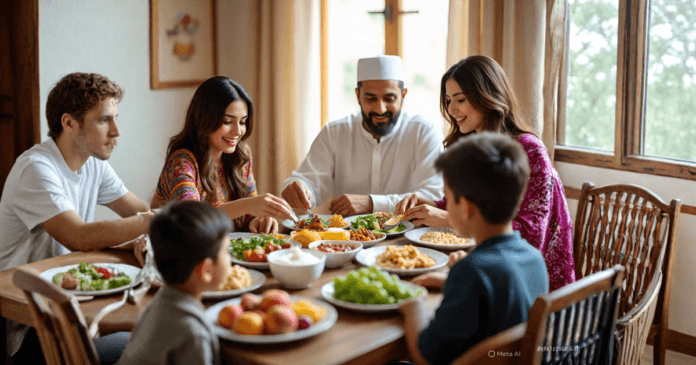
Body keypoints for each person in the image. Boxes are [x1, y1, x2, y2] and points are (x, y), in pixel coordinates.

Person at [0, 72, 154, 363]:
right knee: (153, 346)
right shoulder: (36, 168)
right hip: (29, 323)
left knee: (157, 333)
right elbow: (79, 236)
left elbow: (137, 212)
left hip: (72, 305)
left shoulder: (93, 163)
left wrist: (142, 231)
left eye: (116, 118)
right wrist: (149, 223)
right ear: (69, 123)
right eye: (105, 120)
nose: (117, 131)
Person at [395, 55, 575, 291]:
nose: (452, 109)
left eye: (460, 99)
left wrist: (447, 219)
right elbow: (471, 204)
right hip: (488, 265)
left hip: (532, 287)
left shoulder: (530, 150)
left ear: (487, 96)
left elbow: (531, 238)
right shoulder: (474, 145)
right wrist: (430, 204)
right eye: (449, 100)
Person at [400, 132, 549, 365]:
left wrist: (412, 305)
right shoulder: (534, 259)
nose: (445, 206)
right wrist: (451, 280)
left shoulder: (472, 272)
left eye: (448, 199)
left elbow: (426, 357)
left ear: (467, 208)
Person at [281, 55, 444, 216]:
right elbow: (309, 180)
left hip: (410, 238)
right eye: (371, 98)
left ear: (403, 95)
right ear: (358, 95)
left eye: (389, 98)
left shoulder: (424, 133)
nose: (380, 109)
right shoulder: (334, 132)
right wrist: (299, 189)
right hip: (345, 240)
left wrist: (372, 203)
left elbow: (433, 196)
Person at [151, 76, 293, 233]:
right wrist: (249, 205)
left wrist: (257, 220)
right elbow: (191, 217)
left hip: (223, 247)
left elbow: (248, 214)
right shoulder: (182, 162)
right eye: (227, 121)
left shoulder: (241, 154)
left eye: (242, 122)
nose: (238, 132)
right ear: (205, 119)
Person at [117, 201, 231, 365]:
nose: (230, 258)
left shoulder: (159, 302)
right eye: (226, 252)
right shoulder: (193, 334)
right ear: (205, 270)